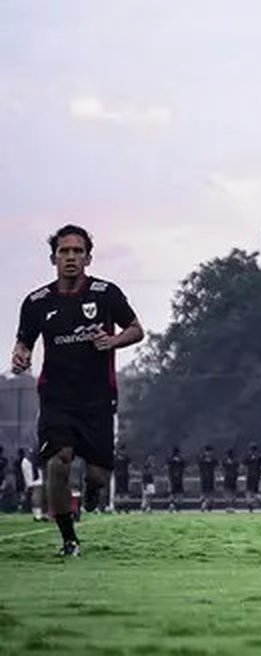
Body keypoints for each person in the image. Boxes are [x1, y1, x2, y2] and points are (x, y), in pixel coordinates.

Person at [11, 224, 143, 555]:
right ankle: (69, 538)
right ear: (53, 257)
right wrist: (21, 355)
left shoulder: (106, 293)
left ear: (88, 257)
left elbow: (136, 329)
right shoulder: (37, 301)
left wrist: (112, 341)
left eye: (77, 251)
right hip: (56, 398)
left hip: (98, 398)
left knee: (98, 474)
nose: (70, 257)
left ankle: (94, 488)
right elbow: (23, 342)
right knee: (58, 460)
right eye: (64, 251)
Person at [19, 447, 46, 521]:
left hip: (33, 464)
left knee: (37, 488)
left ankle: (39, 512)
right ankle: (37, 514)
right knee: (37, 487)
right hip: (31, 464)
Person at [243, 443, 261, 514]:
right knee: (250, 492)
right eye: (252, 450)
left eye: (253, 450)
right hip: (250, 477)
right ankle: (250, 503)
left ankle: (252, 503)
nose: (252, 452)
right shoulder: (247, 458)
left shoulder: (259, 458)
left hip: (257, 477)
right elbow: (244, 467)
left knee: (256, 493)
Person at [198, 445, 217, 513]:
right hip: (204, 479)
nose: (209, 453)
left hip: (211, 478)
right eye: (208, 452)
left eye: (210, 452)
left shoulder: (214, 460)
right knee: (204, 493)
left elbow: (216, 468)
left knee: (211, 494)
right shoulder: (201, 460)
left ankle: (208, 505)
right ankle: (204, 504)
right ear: (205, 452)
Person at [112, 443, 131, 514]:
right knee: (118, 493)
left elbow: (129, 466)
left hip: (125, 477)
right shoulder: (116, 458)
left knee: (125, 493)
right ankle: (118, 507)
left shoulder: (126, 458)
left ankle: (126, 507)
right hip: (118, 477)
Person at [167, 446, 185, 512]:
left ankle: (173, 505)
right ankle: (175, 506)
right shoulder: (177, 461)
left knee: (174, 494)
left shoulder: (171, 461)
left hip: (174, 479)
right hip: (176, 480)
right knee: (177, 494)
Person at [221, 447, 239, 513]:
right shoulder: (225, 462)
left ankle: (231, 507)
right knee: (229, 495)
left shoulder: (234, 463)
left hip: (232, 480)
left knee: (231, 495)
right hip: (228, 480)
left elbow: (237, 471)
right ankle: (229, 507)